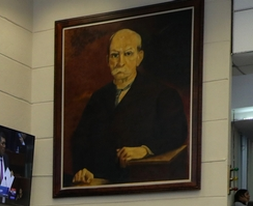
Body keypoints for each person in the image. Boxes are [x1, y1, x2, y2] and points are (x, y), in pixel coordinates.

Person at [70, 28, 188, 185]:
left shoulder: (162, 94)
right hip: (98, 181)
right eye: (114, 55)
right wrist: (82, 169)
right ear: (107, 60)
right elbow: (80, 140)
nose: (120, 62)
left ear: (139, 57)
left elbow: (176, 133)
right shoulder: (99, 97)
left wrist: (145, 149)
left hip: (138, 181)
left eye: (128, 54)